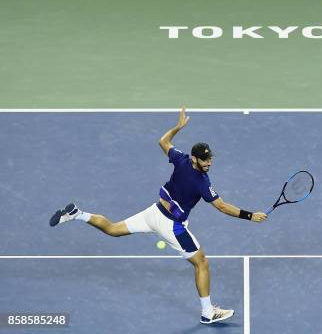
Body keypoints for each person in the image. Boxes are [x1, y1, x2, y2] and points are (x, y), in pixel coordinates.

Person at [49, 107, 267, 324]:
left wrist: (177, 128)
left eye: (210, 159)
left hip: (153, 213)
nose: (209, 163)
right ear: (195, 159)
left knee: (113, 229)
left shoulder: (181, 159)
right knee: (202, 263)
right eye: (204, 160)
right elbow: (222, 206)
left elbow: (162, 142)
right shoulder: (202, 182)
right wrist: (250, 216)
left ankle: (77, 214)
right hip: (172, 226)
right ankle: (208, 312)